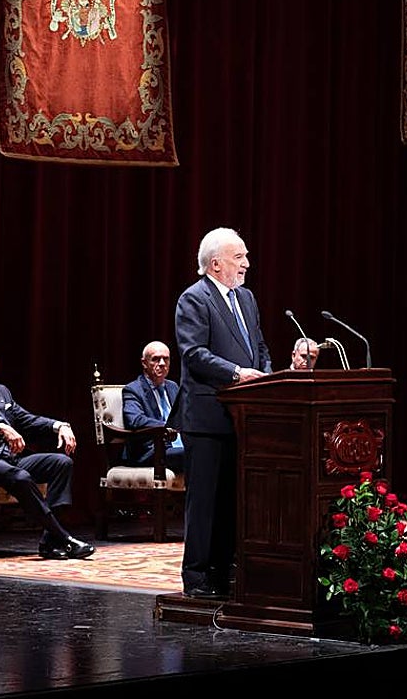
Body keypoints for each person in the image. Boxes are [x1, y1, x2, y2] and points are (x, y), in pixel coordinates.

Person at [174, 226, 272, 599]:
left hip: (244, 416)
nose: (246, 263)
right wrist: (236, 373)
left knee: (234, 499)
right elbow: (194, 354)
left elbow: (259, 346)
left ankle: (225, 569)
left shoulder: (246, 298)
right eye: (239, 257)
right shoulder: (194, 299)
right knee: (205, 501)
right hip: (207, 417)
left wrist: (263, 373)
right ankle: (197, 576)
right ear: (216, 264)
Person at [0, 344, 95, 560]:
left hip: (11, 458)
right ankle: (64, 538)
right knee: (21, 477)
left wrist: (59, 425)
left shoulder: (0, 392)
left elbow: (25, 419)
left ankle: (48, 541)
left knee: (61, 463)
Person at [121, 340, 185, 473]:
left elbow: (183, 415)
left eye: (165, 359)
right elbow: (135, 420)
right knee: (194, 454)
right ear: (144, 363)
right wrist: (166, 426)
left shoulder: (173, 387)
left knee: (209, 450)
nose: (162, 363)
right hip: (151, 450)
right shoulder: (133, 390)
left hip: (178, 444)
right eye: (156, 359)